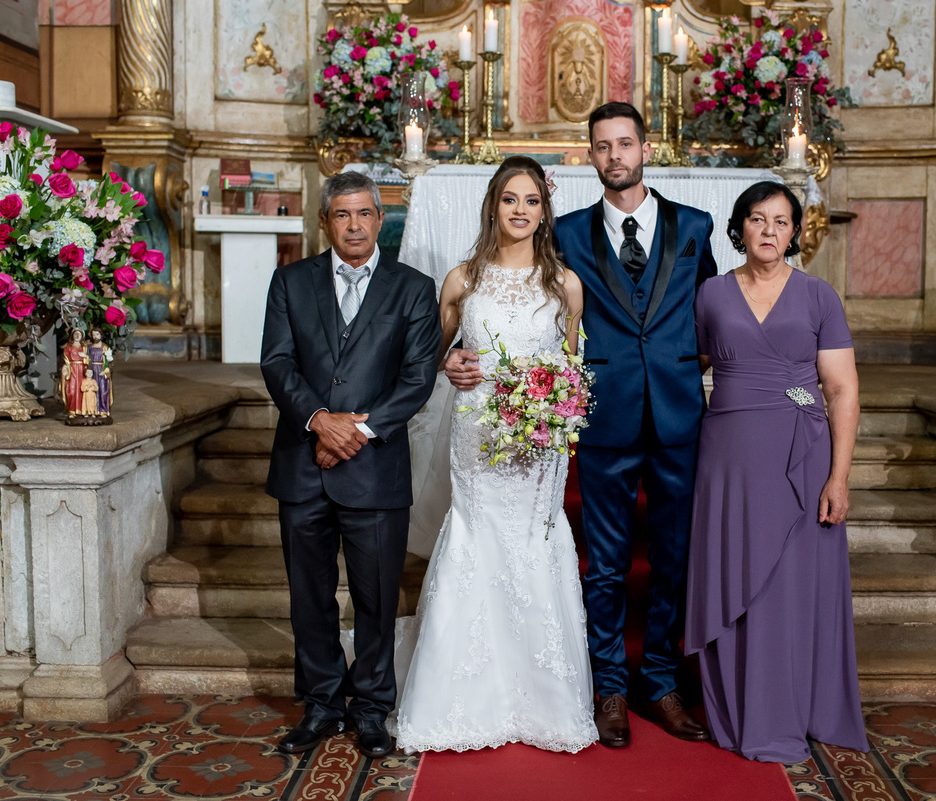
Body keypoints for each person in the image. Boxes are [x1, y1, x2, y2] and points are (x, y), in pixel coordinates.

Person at [449, 104, 716, 748]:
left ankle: (661, 683)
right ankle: (610, 689)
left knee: (672, 559)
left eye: (625, 143)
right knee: (606, 563)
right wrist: (457, 355)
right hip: (602, 416)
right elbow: (528, 302)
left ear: (646, 148)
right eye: (602, 146)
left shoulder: (694, 226)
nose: (615, 155)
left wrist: (694, 367)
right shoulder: (566, 233)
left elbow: (710, 313)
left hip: (678, 415)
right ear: (590, 155)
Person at [397, 156, 597, 754]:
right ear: (493, 205)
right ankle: (460, 695)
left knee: (534, 541)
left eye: (532, 200)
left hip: (538, 442)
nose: (520, 210)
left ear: (545, 210)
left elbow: (572, 368)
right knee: (477, 536)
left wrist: (556, 408)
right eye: (510, 199)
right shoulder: (462, 280)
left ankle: (543, 699)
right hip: (478, 433)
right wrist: (449, 361)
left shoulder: (564, 284)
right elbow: (428, 356)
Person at [685, 181, 868, 763]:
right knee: (735, 572)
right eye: (758, 219)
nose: (769, 230)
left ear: (795, 233)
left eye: (782, 221)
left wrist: (839, 477)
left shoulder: (818, 295)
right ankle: (741, 706)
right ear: (739, 227)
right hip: (729, 457)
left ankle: (792, 708)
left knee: (791, 585)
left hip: (800, 455)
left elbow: (841, 390)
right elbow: (687, 363)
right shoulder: (710, 294)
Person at [260, 171, 440, 758]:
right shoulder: (290, 282)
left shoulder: (413, 289)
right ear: (325, 222)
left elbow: (418, 377)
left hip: (375, 469)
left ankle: (370, 707)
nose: (355, 225)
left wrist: (353, 432)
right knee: (308, 596)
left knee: (377, 599)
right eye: (343, 214)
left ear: (381, 219)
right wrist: (319, 420)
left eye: (365, 213)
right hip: (302, 465)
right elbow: (277, 363)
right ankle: (321, 704)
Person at [60, 328, 86, 417]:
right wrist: (66, 368)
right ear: (72, 336)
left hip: (82, 370)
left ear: (82, 336)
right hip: (72, 370)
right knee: (71, 390)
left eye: (79, 334)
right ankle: (72, 410)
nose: (77, 336)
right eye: (75, 334)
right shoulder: (68, 347)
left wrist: (85, 357)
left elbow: (89, 360)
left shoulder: (84, 347)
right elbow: (66, 359)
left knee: (82, 390)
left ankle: (82, 410)